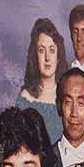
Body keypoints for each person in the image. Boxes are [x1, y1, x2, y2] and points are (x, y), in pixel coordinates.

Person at [13, 17, 67, 148]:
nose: (47, 58)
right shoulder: (26, 98)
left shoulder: (67, 95)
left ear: (58, 57)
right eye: (42, 50)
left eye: (52, 50)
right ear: (35, 56)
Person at [54, 67, 84, 167]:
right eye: (68, 102)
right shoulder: (43, 161)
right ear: (59, 107)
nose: (74, 113)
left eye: (80, 103)